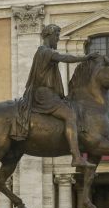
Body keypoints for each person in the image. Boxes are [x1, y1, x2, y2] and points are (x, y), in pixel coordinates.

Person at [15, 24, 95, 167]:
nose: (58, 39)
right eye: (57, 36)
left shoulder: (44, 52)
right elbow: (65, 57)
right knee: (70, 115)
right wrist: (86, 58)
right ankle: (76, 156)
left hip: (49, 94)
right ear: (49, 35)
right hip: (45, 95)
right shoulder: (45, 51)